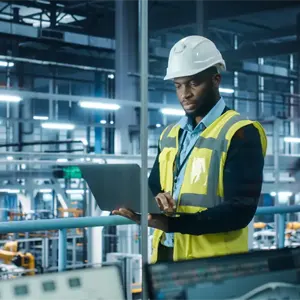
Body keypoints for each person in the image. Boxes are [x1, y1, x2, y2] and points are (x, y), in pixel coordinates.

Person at [113, 36, 267, 263]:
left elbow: (239, 212)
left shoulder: (241, 133)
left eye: (194, 83)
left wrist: (169, 223)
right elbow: (154, 186)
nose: (185, 94)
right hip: (167, 254)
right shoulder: (170, 135)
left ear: (216, 80)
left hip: (215, 264)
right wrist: (155, 200)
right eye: (178, 85)